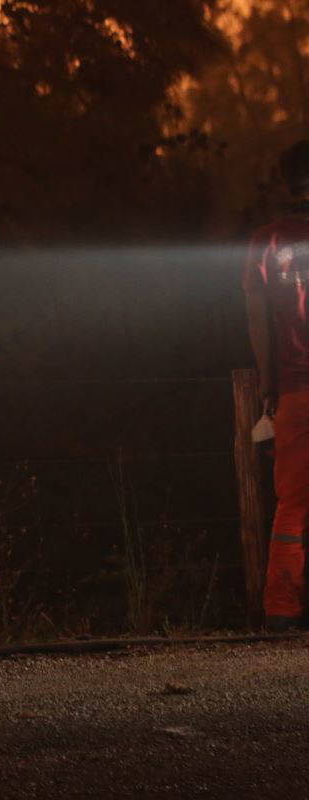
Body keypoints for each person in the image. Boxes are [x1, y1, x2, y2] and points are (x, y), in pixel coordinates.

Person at [243, 139, 309, 631]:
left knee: (293, 502)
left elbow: (258, 318)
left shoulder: (265, 242)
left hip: (294, 390)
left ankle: (283, 609)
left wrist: (268, 381)